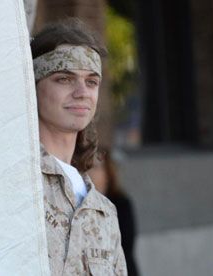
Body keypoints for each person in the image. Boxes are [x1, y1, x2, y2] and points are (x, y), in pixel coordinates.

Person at [31, 18, 127, 275]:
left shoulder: (104, 212)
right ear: (33, 85)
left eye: (92, 81)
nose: (82, 92)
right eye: (64, 78)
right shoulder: (15, 182)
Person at [88, 147, 139, 276]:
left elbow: (126, 244)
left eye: (96, 167)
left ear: (108, 172)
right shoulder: (81, 203)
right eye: (87, 166)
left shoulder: (121, 203)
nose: (90, 172)